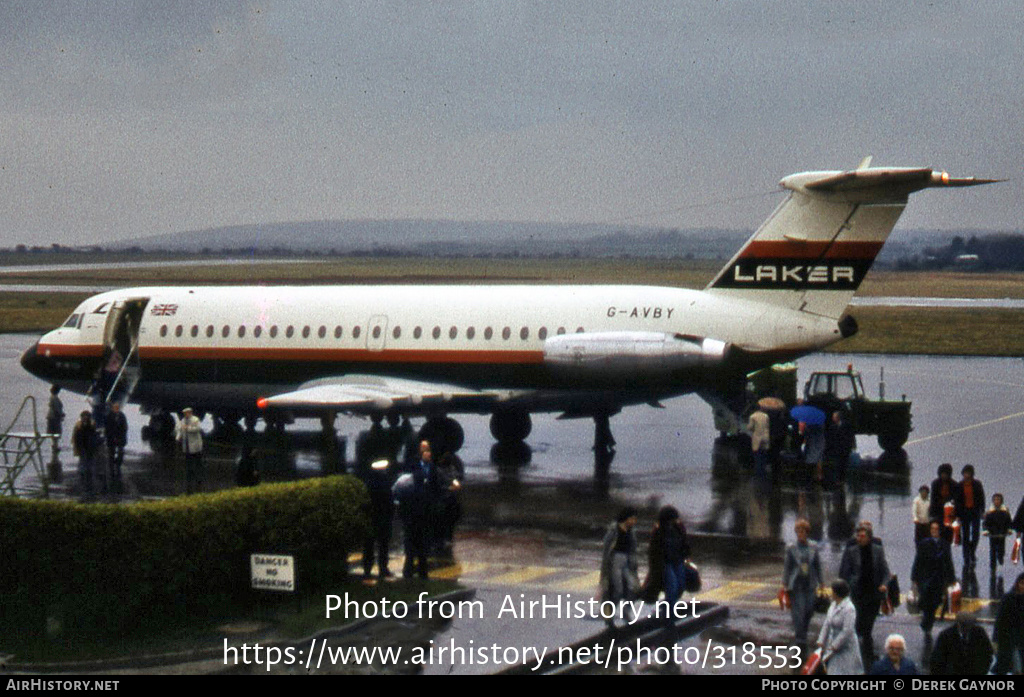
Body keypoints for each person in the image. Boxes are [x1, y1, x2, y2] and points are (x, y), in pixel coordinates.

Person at [839, 521, 891, 668]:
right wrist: (847, 587)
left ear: (869, 537)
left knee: (868, 623)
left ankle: (867, 654)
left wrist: (884, 584)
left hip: (873, 593)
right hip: (857, 592)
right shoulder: (852, 551)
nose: (859, 539)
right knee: (859, 621)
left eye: (862, 536)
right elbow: (845, 572)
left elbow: (886, 571)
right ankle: (862, 653)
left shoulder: (877, 550)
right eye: (858, 536)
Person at [911, 520, 956, 647]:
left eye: (936, 529)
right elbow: (918, 560)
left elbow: (948, 561)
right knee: (926, 601)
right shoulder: (924, 544)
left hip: (939, 579)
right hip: (926, 578)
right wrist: (914, 577)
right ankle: (927, 622)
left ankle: (928, 621)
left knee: (936, 602)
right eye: (932, 529)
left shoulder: (944, 544)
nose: (934, 531)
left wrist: (952, 579)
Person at [782, 518, 823, 656]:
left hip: (810, 584)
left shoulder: (813, 546)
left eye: (803, 531)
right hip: (796, 585)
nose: (800, 534)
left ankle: (803, 632)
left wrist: (822, 582)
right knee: (798, 613)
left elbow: (817, 565)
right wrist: (784, 584)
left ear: (807, 532)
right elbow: (787, 567)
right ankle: (800, 638)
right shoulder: (791, 548)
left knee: (809, 610)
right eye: (798, 531)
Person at [642, 505, 691, 614]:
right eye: (673, 519)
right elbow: (653, 550)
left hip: (678, 561)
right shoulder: (658, 530)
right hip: (665, 563)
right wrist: (655, 567)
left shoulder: (679, 527)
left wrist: (686, 556)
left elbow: (684, 542)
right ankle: (669, 612)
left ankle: (667, 605)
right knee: (672, 586)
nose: (675, 521)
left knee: (681, 585)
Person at [600, 507, 640, 626]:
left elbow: (633, 549)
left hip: (627, 562)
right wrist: (605, 570)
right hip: (615, 562)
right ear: (626, 518)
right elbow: (606, 549)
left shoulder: (631, 532)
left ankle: (626, 610)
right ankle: (609, 615)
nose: (634, 521)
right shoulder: (614, 530)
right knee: (617, 590)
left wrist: (634, 563)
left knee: (634, 588)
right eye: (632, 518)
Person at [817, 579, 863, 675]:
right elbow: (827, 623)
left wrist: (835, 645)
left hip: (847, 647)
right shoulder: (833, 605)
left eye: (832, 590)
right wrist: (821, 640)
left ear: (837, 593)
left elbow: (847, 631)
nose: (830, 592)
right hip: (833, 645)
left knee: (847, 671)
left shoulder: (849, 608)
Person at [360, 456, 395, 579]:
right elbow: (389, 501)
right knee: (383, 545)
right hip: (382, 518)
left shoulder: (368, 483)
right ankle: (383, 568)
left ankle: (367, 570)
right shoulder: (385, 483)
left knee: (369, 545)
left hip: (371, 518)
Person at [955, 465, 985, 572]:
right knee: (965, 535)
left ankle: (972, 551)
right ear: (963, 474)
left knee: (976, 534)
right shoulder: (959, 485)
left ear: (972, 474)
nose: (966, 475)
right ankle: (966, 556)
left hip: (975, 511)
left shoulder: (977, 484)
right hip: (964, 513)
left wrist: (982, 511)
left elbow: (982, 498)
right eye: (965, 473)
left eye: (968, 473)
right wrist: (957, 515)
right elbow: (957, 501)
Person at [993, 572, 1024, 674]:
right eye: (1022, 583)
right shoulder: (1008, 598)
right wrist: (996, 640)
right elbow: (1000, 621)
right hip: (1009, 640)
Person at [175, 407, 204, 494]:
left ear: (190, 413)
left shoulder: (195, 420)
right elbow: (179, 429)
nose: (186, 414)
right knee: (188, 462)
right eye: (185, 413)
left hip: (195, 446)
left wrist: (188, 428)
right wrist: (177, 438)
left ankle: (199, 478)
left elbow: (198, 429)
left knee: (197, 462)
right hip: (187, 445)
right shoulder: (183, 421)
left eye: (187, 413)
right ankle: (189, 476)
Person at [984, 493, 1013, 576]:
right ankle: (992, 566)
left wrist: (1009, 530)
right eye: (995, 500)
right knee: (992, 549)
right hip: (992, 533)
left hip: (1002, 533)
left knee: (1001, 548)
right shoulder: (990, 512)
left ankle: (1000, 557)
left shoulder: (1005, 511)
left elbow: (1009, 522)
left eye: (998, 500)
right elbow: (985, 523)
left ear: (1001, 501)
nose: (997, 502)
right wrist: (986, 531)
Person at [71, 410, 99, 498]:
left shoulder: (87, 425)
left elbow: (94, 436)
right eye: (85, 416)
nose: (86, 418)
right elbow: (75, 438)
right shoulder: (80, 426)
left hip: (89, 448)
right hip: (84, 448)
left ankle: (86, 483)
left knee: (87, 466)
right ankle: (85, 481)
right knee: (84, 465)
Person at [929, 463, 959, 545]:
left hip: (949, 512)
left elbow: (956, 500)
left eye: (946, 474)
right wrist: (931, 513)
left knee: (948, 532)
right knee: (938, 531)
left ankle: (946, 548)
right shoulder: (935, 483)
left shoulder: (955, 485)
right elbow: (933, 498)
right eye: (942, 473)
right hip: (938, 511)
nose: (944, 476)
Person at [823, 409, 855, 482]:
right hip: (837, 448)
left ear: (838, 418)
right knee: (838, 464)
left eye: (834, 417)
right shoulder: (832, 427)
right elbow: (830, 438)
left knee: (843, 464)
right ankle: (839, 479)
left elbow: (850, 436)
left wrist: (851, 445)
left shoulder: (846, 425)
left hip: (845, 448)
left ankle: (842, 479)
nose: (832, 418)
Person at [105, 401, 128, 494]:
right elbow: (107, 427)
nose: (117, 408)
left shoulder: (122, 416)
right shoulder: (109, 416)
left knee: (121, 452)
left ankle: (118, 464)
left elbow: (125, 427)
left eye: (118, 407)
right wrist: (110, 436)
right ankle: (111, 467)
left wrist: (121, 436)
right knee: (111, 452)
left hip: (120, 437)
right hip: (111, 438)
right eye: (115, 407)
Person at [747, 407, 770, 477]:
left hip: (757, 437)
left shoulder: (752, 416)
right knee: (764, 453)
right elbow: (768, 425)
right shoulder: (766, 416)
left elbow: (750, 427)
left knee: (757, 454)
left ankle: (758, 471)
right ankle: (764, 469)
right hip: (765, 436)